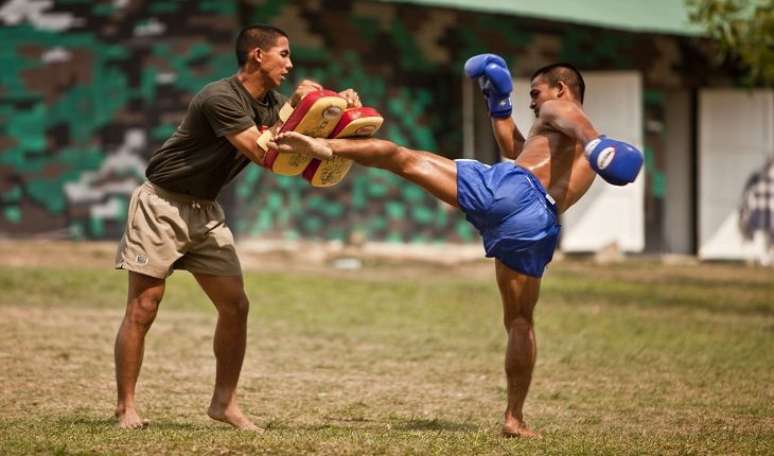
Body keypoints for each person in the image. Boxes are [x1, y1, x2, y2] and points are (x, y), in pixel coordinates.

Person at [268, 56, 643, 438]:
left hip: (510, 190)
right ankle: (514, 418)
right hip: (536, 223)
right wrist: (499, 107)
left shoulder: (562, 110)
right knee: (520, 321)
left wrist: (595, 142)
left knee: (404, 159)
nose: (533, 102)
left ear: (561, 89)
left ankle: (324, 146)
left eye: (534, 92)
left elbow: (569, 119)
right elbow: (520, 150)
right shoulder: (573, 149)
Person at [113, 24, 358, 430]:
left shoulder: (272, 103)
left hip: (206, 212)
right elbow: (263, 151)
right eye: (284, 54)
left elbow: (297, 139)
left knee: (236, 306)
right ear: (257, 56)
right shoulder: (219, 97)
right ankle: (127, 407)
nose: (290, 63)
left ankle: (224, 405)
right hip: (162, 205)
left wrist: (335, 108)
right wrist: (305, 112)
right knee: (144, 307)